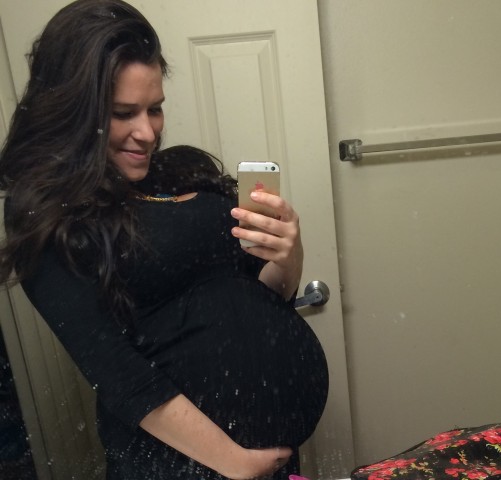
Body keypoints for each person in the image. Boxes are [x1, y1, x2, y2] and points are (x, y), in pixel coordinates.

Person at [0, 1, 329, 479]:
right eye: (122, 113)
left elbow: (261, 299)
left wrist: (288, 256)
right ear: (73, 112)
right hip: (181, 466)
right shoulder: (47, 213)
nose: (146, 132)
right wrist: (236, 463)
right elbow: (113, 367)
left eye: (154, 109)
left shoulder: (180, 172)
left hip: (260, 461)